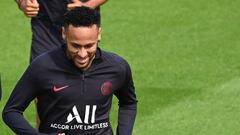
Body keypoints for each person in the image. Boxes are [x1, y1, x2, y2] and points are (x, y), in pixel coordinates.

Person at [3, 7, 137, 135]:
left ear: (99, 35)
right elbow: (11, 111)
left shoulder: (117, 67)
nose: (82, 54)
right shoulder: (43, 66)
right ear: (64, 34)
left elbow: (128, 103)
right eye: (75, 46)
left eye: (89, 46)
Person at [15, 0, 108, 62]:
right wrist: (22, 2)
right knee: (41, 75)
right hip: (45, 27)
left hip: (82, 27)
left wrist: (88, 5)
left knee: (83, 81)